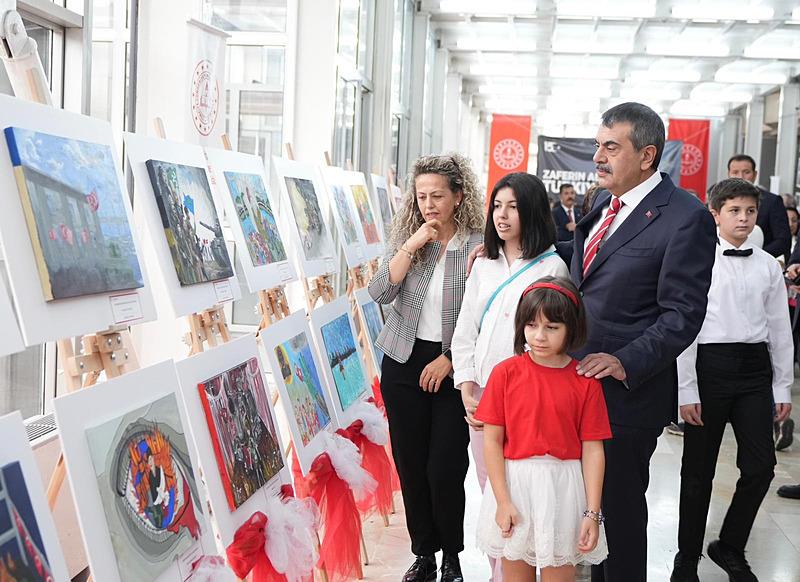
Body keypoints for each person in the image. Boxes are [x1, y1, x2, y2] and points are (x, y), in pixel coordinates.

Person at [571, 102, 717, 582]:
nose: (598, 157)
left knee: (620, 516)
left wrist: (624, 360)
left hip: (627, 395)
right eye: (597, 145)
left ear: (647, 155)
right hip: (578, 385)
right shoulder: (600, 205)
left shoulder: (686, 217)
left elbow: (683, 314)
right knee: (592, 513)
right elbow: (589, 277)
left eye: (611, 147)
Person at [367, 153, 485, 582]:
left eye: (438, 195)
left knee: (446, 467)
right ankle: (424, 556)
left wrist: (451, 358)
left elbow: (486, 314)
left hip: (455, 362)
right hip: (403, 360)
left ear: (459, 195)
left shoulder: (479, 244)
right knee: (411, 464)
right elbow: (379, 291)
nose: (429, 204)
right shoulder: (408, 237)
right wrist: (412, 244)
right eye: (421, 196)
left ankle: (452, 555)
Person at [671, 178, 793, 582]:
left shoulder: (767, 266)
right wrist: (686, 388)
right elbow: (686, 328)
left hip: (755, 369)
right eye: (734, 211)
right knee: (698, 471)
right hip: (709, 367)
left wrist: (782, 386)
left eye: (750, 211)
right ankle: (686, 556)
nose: (743, 218)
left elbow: (779, 328)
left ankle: (730, 546)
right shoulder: (698, 260)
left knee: (761, 466)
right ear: (715, 214)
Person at [451, 172, 569, 581]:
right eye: (497, 206)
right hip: (483, 395)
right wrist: (466, 381)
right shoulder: (483, 262)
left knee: (524, 495)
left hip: (528, 400)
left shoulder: (552, 266)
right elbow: (466, 327)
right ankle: (501, 573)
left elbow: (556, 338)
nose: (502, 216)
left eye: (513, 207)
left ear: (532, 211)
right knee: (492, 496)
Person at [475, 277, 612, 581]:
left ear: (571, 329)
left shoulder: (585, 383)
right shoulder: (505, 374)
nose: (539, 336)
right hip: (515, 487)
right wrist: (502, 500)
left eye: (552, 327)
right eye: (532, 325)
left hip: (563, 491)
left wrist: (592, 512)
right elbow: (492, 442)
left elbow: (593, 451)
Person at [727, 154, 791, 259]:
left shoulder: (772, 201)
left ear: (755, 174)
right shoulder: (721, 201)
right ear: (728, 174)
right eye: (735, 172)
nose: (740, 177)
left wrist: (755, 256)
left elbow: (782, 239)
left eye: (746, 172)